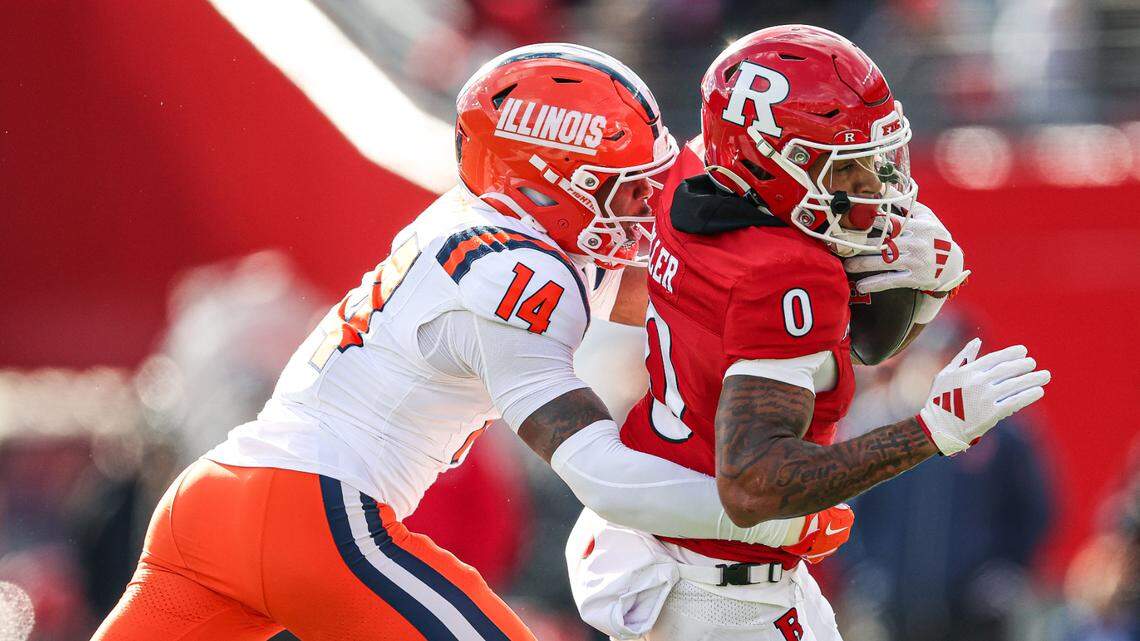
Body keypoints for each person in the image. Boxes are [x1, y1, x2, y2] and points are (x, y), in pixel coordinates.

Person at [92, 43, 838, 641]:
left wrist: (823, 281)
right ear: (547, 180)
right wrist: (769, 512)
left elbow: (674, 297)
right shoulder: (520, 275)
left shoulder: (490, 228)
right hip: (315, 513)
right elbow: (601, 473)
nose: (645, 208)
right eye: (625, 188)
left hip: (212, 500)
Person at [565, 25, 1051, 641]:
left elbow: (798, 343)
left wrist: (906, 302)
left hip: (660, 551)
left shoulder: (695, 176)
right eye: (847, 171)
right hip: (725, 591)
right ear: (775, 161)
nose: (874, 189)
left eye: (875, 165)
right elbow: (752, 483)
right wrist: (931, 432)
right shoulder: (790, 273)